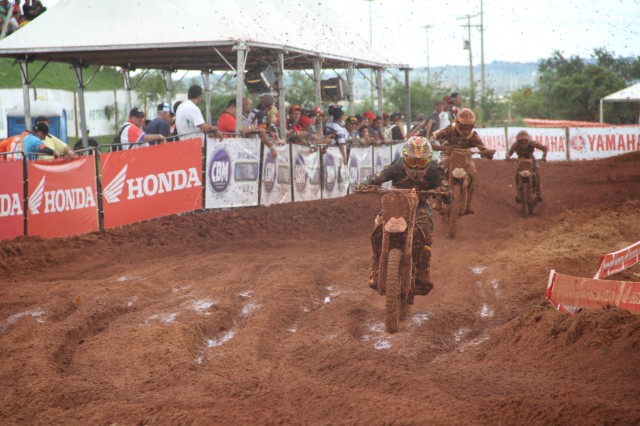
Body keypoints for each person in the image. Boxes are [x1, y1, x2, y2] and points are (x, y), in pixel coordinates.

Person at [356, 136, 450, 295]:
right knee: (378, 228)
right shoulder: (397, 166)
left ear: (428, 160)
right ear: (406, 158)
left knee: (426, 233)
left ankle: (423, 271)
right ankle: (375, 269)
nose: (416, 166)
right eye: (413, 161)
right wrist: (364, 183)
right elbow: (378, 177)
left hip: (420, 204)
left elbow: (446, 187)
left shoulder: (434, 169)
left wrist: (445, 192)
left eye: (421, 162)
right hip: (395, 202)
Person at [431, 107, 492, 215]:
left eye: (468, 127)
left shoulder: (473, 135)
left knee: (473, 174)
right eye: (463, 127)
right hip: (448, 154)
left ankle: (468, 205)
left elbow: (482, 147)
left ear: (472, 126)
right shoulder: (450, 129)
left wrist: (487, 152)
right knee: (439, 171)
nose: (465, 130)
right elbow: (436, 135)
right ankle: (438, 200)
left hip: (465, 157)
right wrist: (434, 138)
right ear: (457, 123)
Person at [506, 130, 548, 202]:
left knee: (537, 174)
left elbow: (544, 148)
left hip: (531, 160)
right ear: (518, 140)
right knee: (517, 175)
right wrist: (508, 157)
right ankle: (519, 194)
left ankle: (538, 194)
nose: (523, 143)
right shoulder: (515, 145)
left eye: (525, 141)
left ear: (528, 140)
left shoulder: (532, 143)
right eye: (521, 141)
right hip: (521, 161)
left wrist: (544, 156)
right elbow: (509, 153)